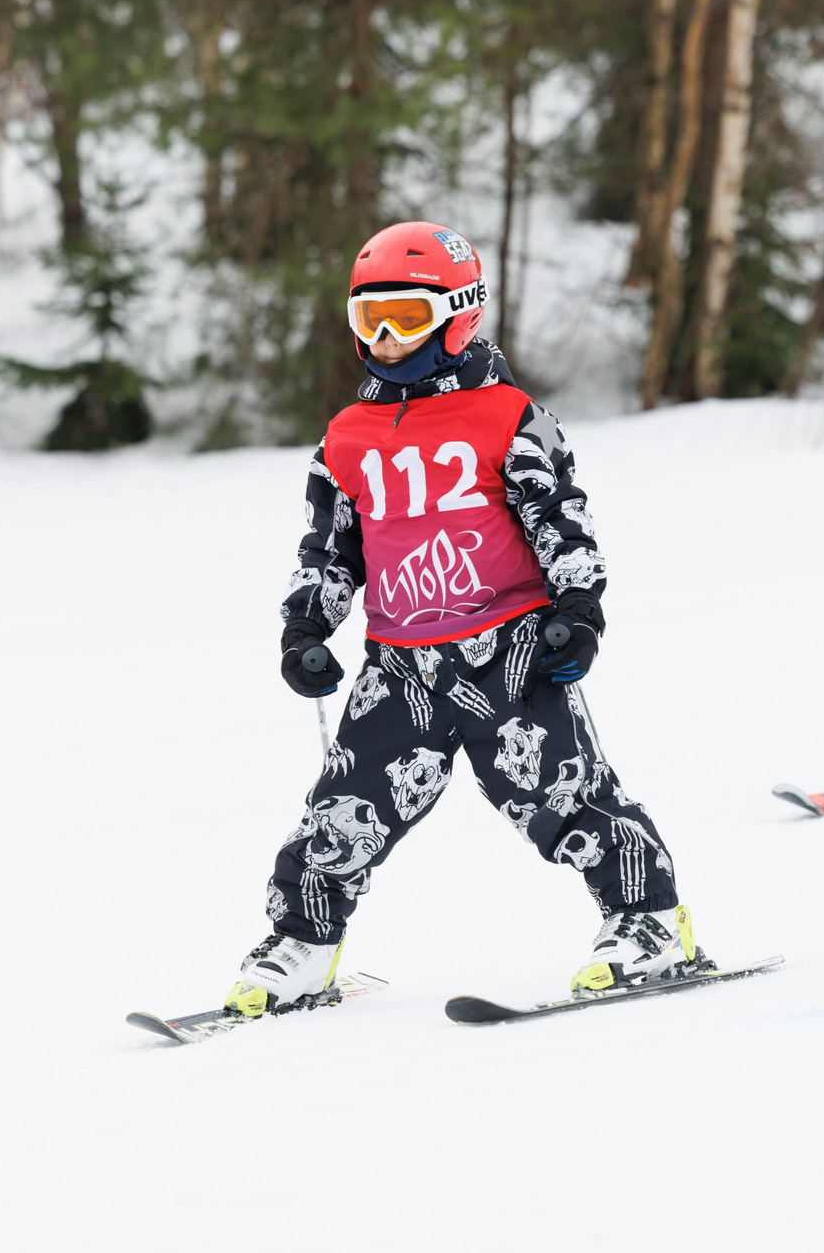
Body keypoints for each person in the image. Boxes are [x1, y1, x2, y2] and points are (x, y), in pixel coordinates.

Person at [224, 222, 702, 1020]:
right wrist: (306, 630)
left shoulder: (508, 416)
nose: (382, 339)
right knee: (343, 811)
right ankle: (304, 945)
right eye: (367, 319)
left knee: (564, 794)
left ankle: (649, 923)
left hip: (509, 652)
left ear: (460, 315)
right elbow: (332, 549)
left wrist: (578, 613)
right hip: (399, 663)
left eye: (405, 318)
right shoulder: (347, 437)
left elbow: (562, 522)